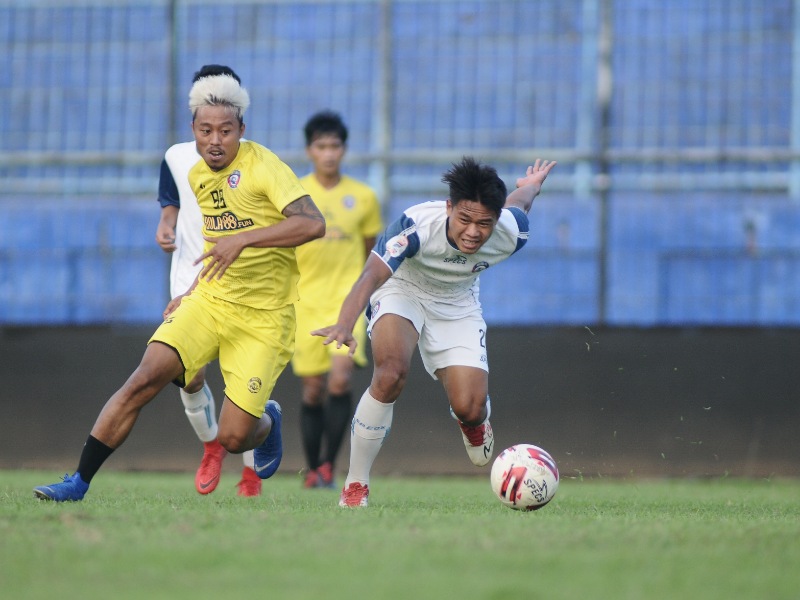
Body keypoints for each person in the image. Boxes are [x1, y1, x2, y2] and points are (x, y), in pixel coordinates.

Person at [33, 70, 326, 502]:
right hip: (210, 301)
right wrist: (190, 292)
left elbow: (313, 223)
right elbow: (215, 245)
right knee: (144, 378)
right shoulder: (196, 176)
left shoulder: (265, 166)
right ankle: (77, 481)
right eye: (206, 130)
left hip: (265, 317)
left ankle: (268, 423)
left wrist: (244, 238)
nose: (215, 140)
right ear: (193, 130)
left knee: (233, 437)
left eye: (225, 131)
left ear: (241, 131)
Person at [312, 156, 556, 507]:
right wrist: (344, 322)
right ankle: (355, 484)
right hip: (402, 289)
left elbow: (520, 202)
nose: (473, 232)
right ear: (449, 208)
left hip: (457, 303)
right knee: (391, 373)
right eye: (465, 219)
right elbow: (370, 276)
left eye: (484, 223)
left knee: (470, 407)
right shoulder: (415, 226)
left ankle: (472, 422)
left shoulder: (511, 231)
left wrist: (531, 184)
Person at [155, 64, 259, 497]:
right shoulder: (177, 156)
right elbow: (170, 207)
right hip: (187, 278)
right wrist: (165, 227)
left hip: (238, 283)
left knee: (244, 383)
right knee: (189, 376)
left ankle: (252, 471)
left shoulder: (253, 158)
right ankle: (211, 446)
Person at [292, 111, 384, 489]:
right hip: (304, 302)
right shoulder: (294, 193)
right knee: (313, 388)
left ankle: (330, 467)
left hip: (347, 302)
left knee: (340, 382)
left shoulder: (362, 197)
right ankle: (313, 467)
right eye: (321, 146)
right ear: (309, 150)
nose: (329, 154)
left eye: (335, 146)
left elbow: (370, 255)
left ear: (344, 150)